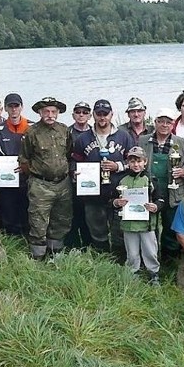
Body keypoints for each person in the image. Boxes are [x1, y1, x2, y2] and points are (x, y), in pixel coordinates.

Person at [72, 99, 135, 256]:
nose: (102, 118)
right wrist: (75, 172)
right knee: (97, 231)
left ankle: (120, 261)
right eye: (99, 114)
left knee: (120, 231)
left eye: (105, 114)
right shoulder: (83, 138)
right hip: (93, 194)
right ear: (93, 115)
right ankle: (102, 260)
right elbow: (75, 160)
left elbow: (134, 162)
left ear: (111, 115)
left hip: (118, 192)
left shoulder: (124, 136)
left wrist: (118, 166)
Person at [20, 97, 73, 259]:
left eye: (53, 112)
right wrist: (36, 176)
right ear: (40, 113)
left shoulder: (64, 130)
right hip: (40, 185)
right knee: (38, 221)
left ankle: (55, 254)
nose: (50, 115)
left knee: (62, 219)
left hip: (63, 184)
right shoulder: (31, 132)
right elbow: (24, 158)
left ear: (58, 113)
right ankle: (38, 258)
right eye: (46, 111)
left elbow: (68, 153)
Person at [139, 108, 184, 262]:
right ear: (155, 123)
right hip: (150, 190)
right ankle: (149, 258)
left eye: (168, 122)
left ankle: (169, 261)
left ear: (173, 124)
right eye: (161, 121)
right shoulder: (143, 140)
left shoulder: (181, 142)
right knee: (149, 226)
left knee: (170, 227)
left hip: (172, 191)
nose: (165, 125)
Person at [111, 147, 164, 285]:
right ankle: (132, 272)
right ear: (128, 163)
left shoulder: (151, 180)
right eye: (133, 161)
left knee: (150, 250)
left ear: (145, 162)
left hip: (147, 225)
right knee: (132, 252)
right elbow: (111, 200)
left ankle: (154, 273)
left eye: (139, 161)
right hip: (128, 224)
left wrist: (156, 206)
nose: (136, 164)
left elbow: (161, 199)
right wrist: (117, 202)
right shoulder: (122, 181)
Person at [0, 93, 31, 235]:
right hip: (7, 180)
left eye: (17, 106)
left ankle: (28, 242)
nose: (14, 109)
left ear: (22, 107)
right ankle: (12, 244)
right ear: (5, 109)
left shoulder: (31, 127)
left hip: (27, 178)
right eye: (11, 106)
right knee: (9, 213)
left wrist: (28, 167)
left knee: (27, 212)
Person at [65, 101, 93, 249]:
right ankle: (73, 246)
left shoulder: (94, 133)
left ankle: (89, 245)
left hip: (91, 182)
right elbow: (64, 156)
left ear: (89, 115)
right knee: (73, 214)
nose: (81, 115)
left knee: (88, 214)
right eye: (78, 112)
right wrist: (71, 171)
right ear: (73, 114)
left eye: (84, 112)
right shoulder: (66, 132)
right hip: (71, 180)